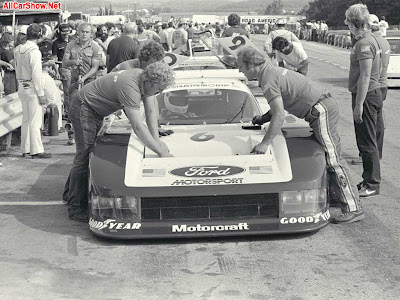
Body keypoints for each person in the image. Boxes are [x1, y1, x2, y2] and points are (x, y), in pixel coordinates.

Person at [237, 46, 364, 224]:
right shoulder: (270, 72)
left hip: (320, 109)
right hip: (322, 106)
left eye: (241, 66)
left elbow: (279, 114)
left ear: (251, 65)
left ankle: (353, 207)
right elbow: (278, 108)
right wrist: (263, 119)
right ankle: (339, 196)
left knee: (333, 159)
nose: (240, 70)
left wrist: (265, 143)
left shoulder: (267, 80)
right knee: (329, 156)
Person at [64, 61, 174, 222]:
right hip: (84, 107)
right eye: (159, 89)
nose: (159, 93)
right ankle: (75, 207)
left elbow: (150, 112)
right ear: (151, 82)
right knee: (85, 155)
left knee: (85, 154)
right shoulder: (130, 87)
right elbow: (137, 125)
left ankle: (69, 194)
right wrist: (160, 151)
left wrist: (157, 142)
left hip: (92, 109)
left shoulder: (143, 79)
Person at [345, 4, 382, 197]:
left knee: (367, 142)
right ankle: (368, 179)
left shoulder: (364, 44)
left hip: (367, 96)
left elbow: (365, 75)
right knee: (366, 141)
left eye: (347, 22)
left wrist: (359, 104)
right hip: (372, 93)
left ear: (353, 23)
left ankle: (373, 184)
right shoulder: (369, 39)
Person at [14, 24, 51, 159]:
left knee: (26, 119)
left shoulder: (18, 49)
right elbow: (36, 74)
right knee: (35, 121)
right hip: (31, 86)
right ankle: (36, 150)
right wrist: (41, 94)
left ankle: (25, 148)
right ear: (39, 35)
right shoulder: (34, 51)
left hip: (21, 85)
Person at [62, 22, 102, 145]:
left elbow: (95, 67)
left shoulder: (95, 47)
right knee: (74, 107)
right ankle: (72, 134)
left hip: (89, 81)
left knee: (90, 108)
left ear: (91, 34)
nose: (84, 34)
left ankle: (91, 134)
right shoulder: (71, 45)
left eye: (87, 32)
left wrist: (84, 78)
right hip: (74, 81)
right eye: (82, 31)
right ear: (78, 32)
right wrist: (74, 61)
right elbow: (64, 63)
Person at [51, 23, 71, 117]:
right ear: (59, 32)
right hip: (65, 68)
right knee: (68, 91)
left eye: (67, 32)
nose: (65, 35)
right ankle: (68, 111)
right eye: (63, 33)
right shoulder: (56, 43)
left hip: (76, 67)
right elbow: (54, 58)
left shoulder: (73, 40)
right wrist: (56, 71)